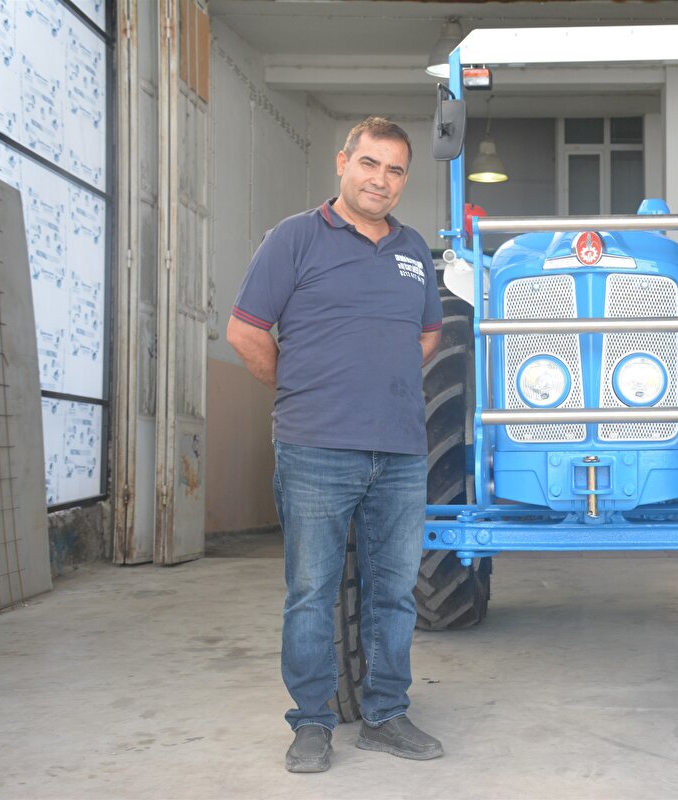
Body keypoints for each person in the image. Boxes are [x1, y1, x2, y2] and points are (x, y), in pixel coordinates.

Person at [227, 117, 444, 773]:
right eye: (369, 163)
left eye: (395, 170)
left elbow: (428, 334)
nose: (381, 179)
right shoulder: (294, 238)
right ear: (343, 163)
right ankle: (312, 722)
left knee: (394, 594)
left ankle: (385, 714)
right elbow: (245, 331)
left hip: (400, 452)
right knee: (312, 593)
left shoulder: (413, 249)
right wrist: (303, 387)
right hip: (316, 448)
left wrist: (383, 379)